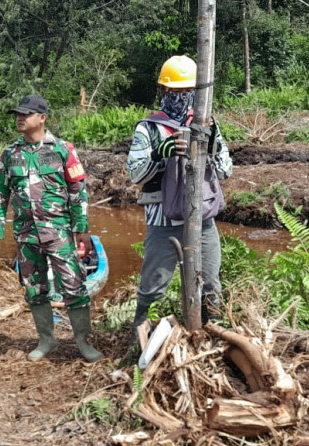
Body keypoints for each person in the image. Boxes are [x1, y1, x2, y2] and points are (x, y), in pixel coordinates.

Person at [0, 95, 103, 363]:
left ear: (42, 118)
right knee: (33, 288)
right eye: (17, 113)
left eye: (25, 114)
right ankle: (46, 340)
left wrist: (81, 229)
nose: (20, 118)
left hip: (59, 233)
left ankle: (83, 342)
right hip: (26, 234)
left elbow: (78, 191)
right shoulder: (10, 154)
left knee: (73, 286)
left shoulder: (63, 150)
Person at [125, 55, 233, 336]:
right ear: (163, 91)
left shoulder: (208, 123)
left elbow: (225, 170)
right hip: (163, 220)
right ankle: (139, 332)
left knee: (210, 281)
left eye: (188, 92)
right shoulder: (148, 128)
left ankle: (213, 334)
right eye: (175, 91)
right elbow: (135, 174)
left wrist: (210, 147)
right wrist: (160, 153)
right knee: (154, 283)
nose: (182, 97)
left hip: (202, 219)